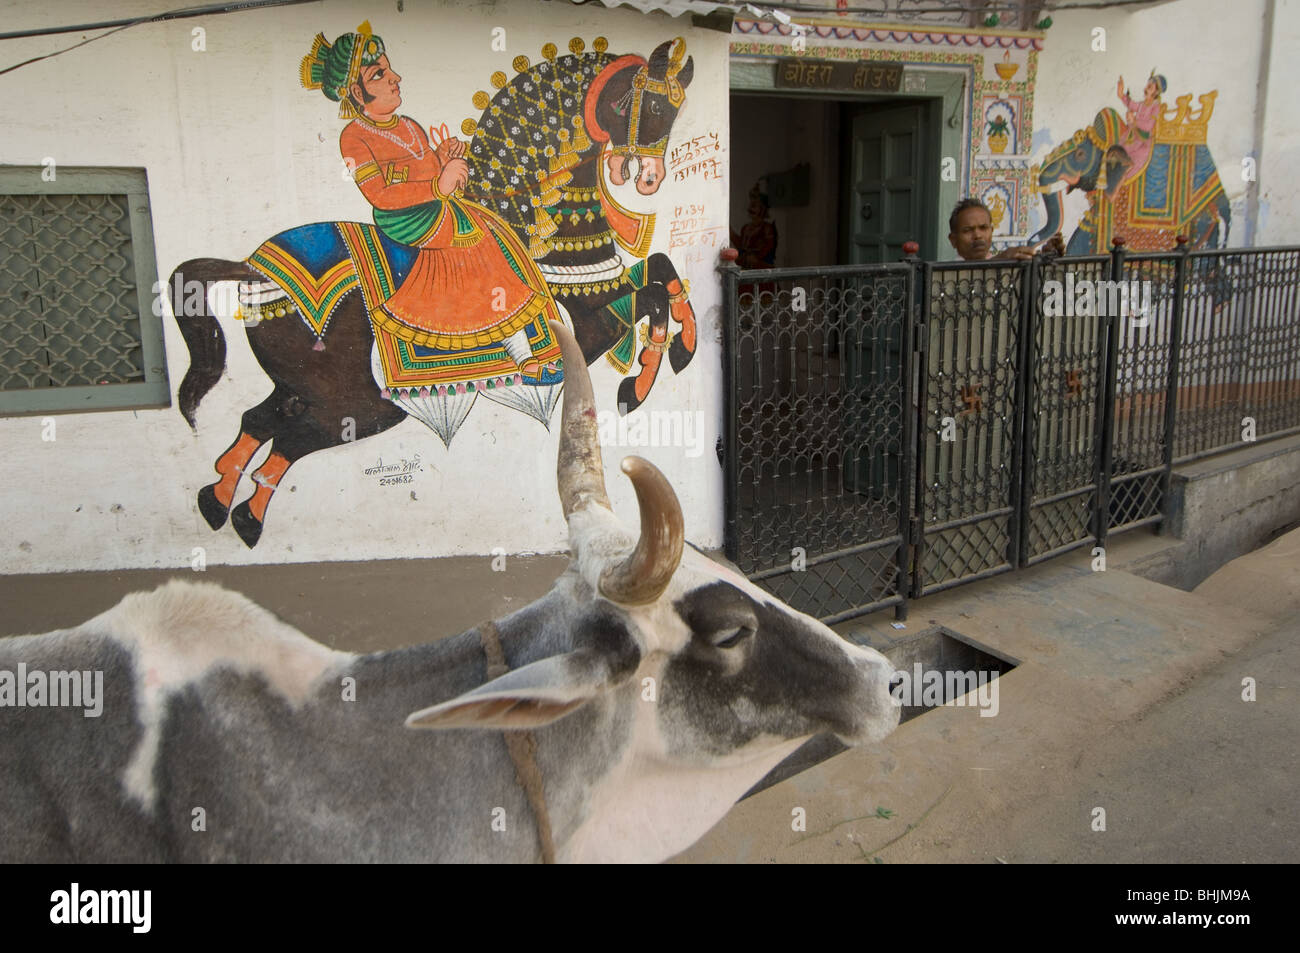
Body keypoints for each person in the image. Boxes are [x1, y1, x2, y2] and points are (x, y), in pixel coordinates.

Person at [300, 22, 559, 376]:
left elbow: (422, 167)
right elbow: (380, 193)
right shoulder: (354, 138)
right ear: (358, 95)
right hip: (403, 216)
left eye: (389, 69)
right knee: (473, 242)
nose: (396, 78)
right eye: (380, 74)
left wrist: (442, 155)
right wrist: (439, 184)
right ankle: (514, 345)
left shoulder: (408, 125)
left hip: (434, 203)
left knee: (489, 226)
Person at [947, 199, 1064, 262]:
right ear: (953, 240)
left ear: (991, 231)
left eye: (983, 228)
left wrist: (1044, 260)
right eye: (968, 230)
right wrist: (999, 262)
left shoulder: (1009, 265)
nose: (977, 235)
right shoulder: (944, 276)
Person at [1115, 70, 1166, 185]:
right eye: (1148, 84)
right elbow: (1132, 105)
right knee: (1118, 149)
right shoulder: (1143, 103)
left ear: (1156, 91)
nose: (1147, 87)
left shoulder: (1156, 106)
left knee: (1133, 160)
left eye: (1151, 86)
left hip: (1144, 142)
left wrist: (1134, 121)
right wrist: (1121, 94)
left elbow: (1148, 126)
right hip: (1133, 136)